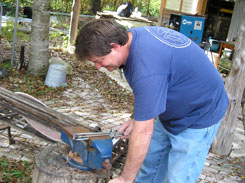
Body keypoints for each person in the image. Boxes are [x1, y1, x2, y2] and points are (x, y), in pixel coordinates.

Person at [75, 19, 229, 183]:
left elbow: (144, 131)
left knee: (178, 178)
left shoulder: (146, 67)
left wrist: (125, 178)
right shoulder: (131, 40)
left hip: (200, 114)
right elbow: (148, 91)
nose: (98, 67)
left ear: (114, 46)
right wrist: (136, 118)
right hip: (172, 110)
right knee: (150, 169)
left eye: (99, 61)